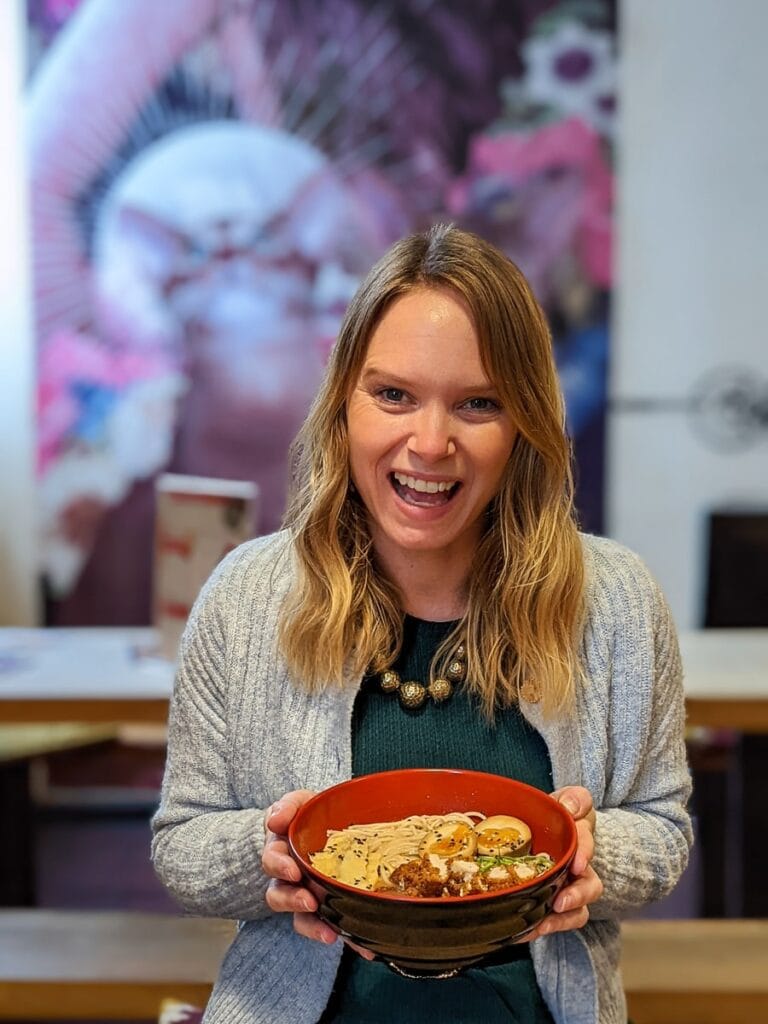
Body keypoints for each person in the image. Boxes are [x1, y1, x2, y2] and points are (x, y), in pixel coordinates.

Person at [151, 224, 692, 1023]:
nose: (430, 444)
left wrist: (593, 852)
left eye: (479, 403)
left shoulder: (615, 600)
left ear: (525, 424)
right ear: (344, 402)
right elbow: (180, 842)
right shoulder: (246, 596)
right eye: (393, 394)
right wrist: (265, 855)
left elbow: (664, 829)